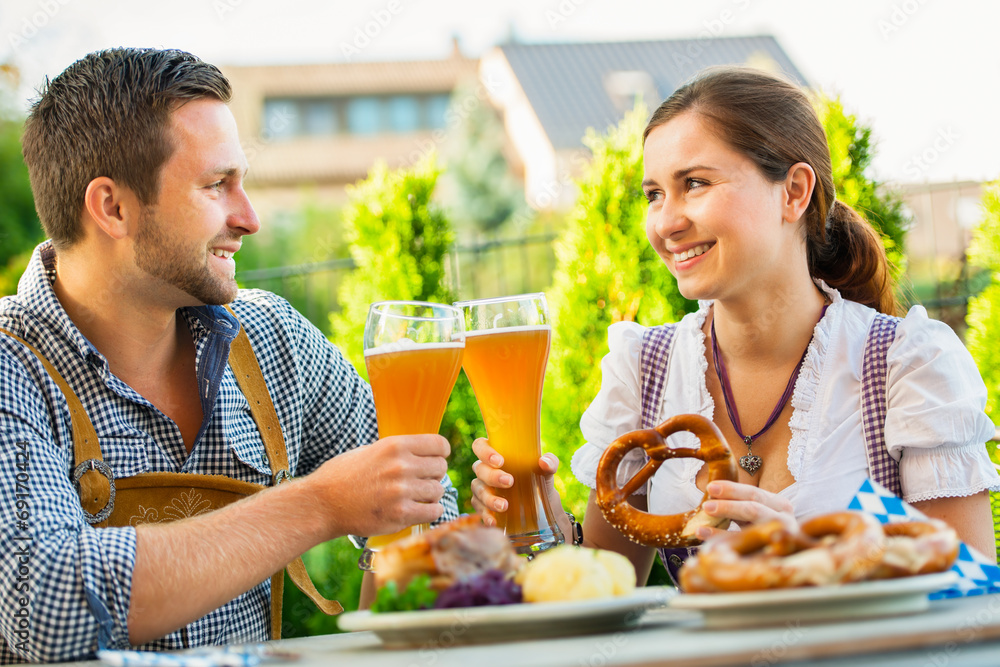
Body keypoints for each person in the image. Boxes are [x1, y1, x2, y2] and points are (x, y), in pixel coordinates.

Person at [0, 47, 458, 662]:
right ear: (112, 207)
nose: (250, 218)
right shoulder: (12, 364)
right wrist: (319, 505)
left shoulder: (273, 339)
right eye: (217, 185)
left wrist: (396, 599)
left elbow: (429, 509)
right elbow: (44, 603)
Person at [472, 66, 1000, 585]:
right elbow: (605, 589)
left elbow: (972, 601)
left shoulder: (905, 364)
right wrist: (542, 526)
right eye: (653, 194)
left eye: (695, 184)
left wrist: (805, 553)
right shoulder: (645, 370)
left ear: (793, 192)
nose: (666, 222)